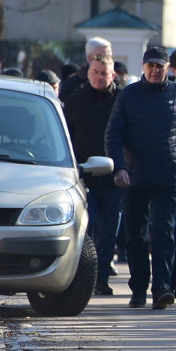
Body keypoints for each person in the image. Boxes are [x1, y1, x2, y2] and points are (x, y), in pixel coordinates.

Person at [105, 45, 176, 310]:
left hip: (169, 176)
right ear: (143, 68)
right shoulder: (128, 95)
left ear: (169, 69)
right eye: (150, 66)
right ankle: (139, 288)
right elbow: (113, 134)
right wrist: (119, 167)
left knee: (163, 232)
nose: (155, 71)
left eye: (160, 66)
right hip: (135, 177)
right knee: (136, 236)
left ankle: (162, 288)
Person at [63, 54, 121, 296]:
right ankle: (79, 277)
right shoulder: (75, 101)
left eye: (104, 73)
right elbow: (65, 139)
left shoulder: (121, 100)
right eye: (95, 72)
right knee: (85, 229)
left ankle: (102, 278)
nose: (99, 77)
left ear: (113, 75)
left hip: (112, 179)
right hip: (82, 177)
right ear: (87, 73)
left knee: (108, 232)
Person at [60, 36, 112, 102]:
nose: (107, 60)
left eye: (110, 57)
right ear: (89, 58)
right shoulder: (72, 85)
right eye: (101, 57)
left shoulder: (117, 83)